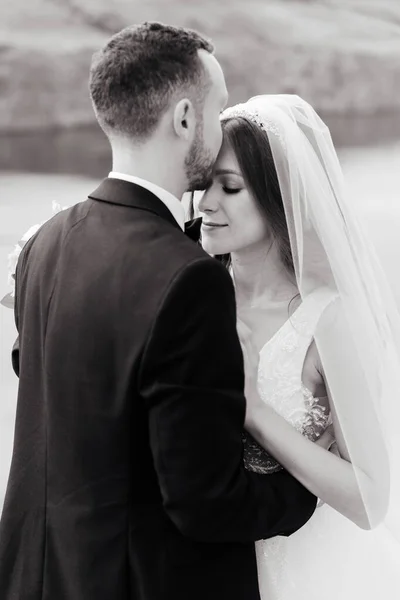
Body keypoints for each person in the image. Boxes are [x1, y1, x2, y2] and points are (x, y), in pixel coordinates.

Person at [0, 24, 317, 600]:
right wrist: (302, 493)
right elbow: (205, 502)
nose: (222, 126)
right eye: (219, 107)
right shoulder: (188, 278)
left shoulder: (45, 241)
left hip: (40, 573)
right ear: (185, 117)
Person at [194, 94, 400, 599]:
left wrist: (256, 411)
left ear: (277, 195)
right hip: (200, 566)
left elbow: (371, 500)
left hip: (305, 568)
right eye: (203, 185)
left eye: (231, 187)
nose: (206, 205)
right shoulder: (192, 295)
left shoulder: (326, 319)